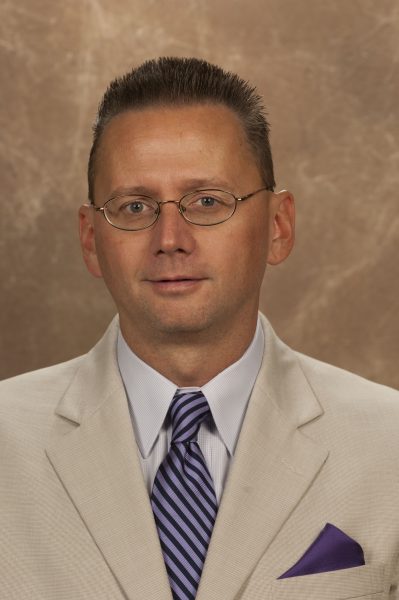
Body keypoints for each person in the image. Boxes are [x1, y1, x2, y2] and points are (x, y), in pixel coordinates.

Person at [1, 57, 398, 600]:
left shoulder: (389, 446)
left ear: (278, 227)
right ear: (91, 239)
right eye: (134, 205)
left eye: (208, 201)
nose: (170, 237)